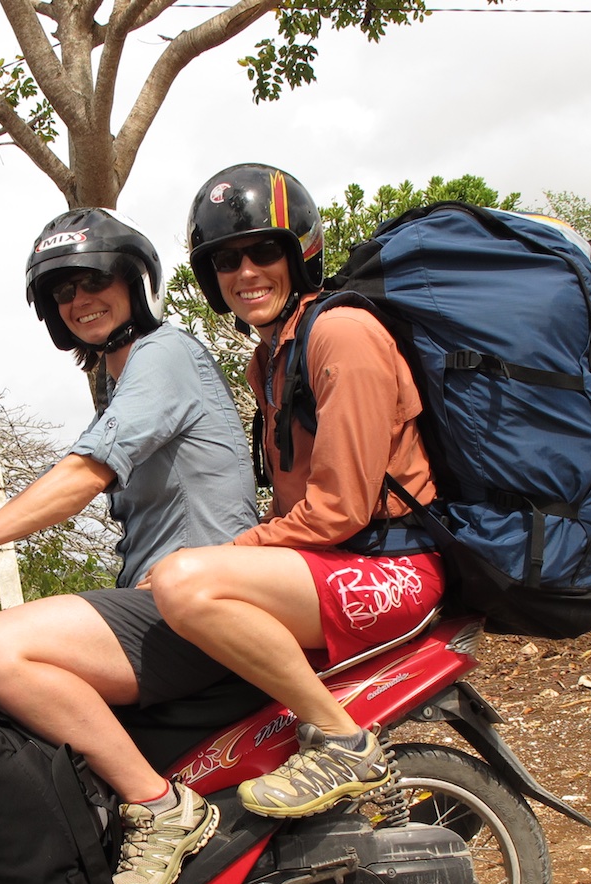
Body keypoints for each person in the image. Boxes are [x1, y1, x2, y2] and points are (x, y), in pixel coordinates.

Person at [0, 208, 258, 884]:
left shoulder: (166, 356)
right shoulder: (122, 379)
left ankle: (162, 809)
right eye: (63, 292)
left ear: (133, 282)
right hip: (166, 605)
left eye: (96, 279)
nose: (80, 299)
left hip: (200, 607)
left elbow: (82, 475)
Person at [148, 163, 446, 818]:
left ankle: (343, 743)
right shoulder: (270, 358)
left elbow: (338, 509)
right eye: (227, 260)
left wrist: (224, 557)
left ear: (299, 254)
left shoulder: (341, 333)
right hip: (336, 565)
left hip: (389, 567)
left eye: (263, 251)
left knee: (182, 583)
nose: (246, 272)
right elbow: (293, 510)